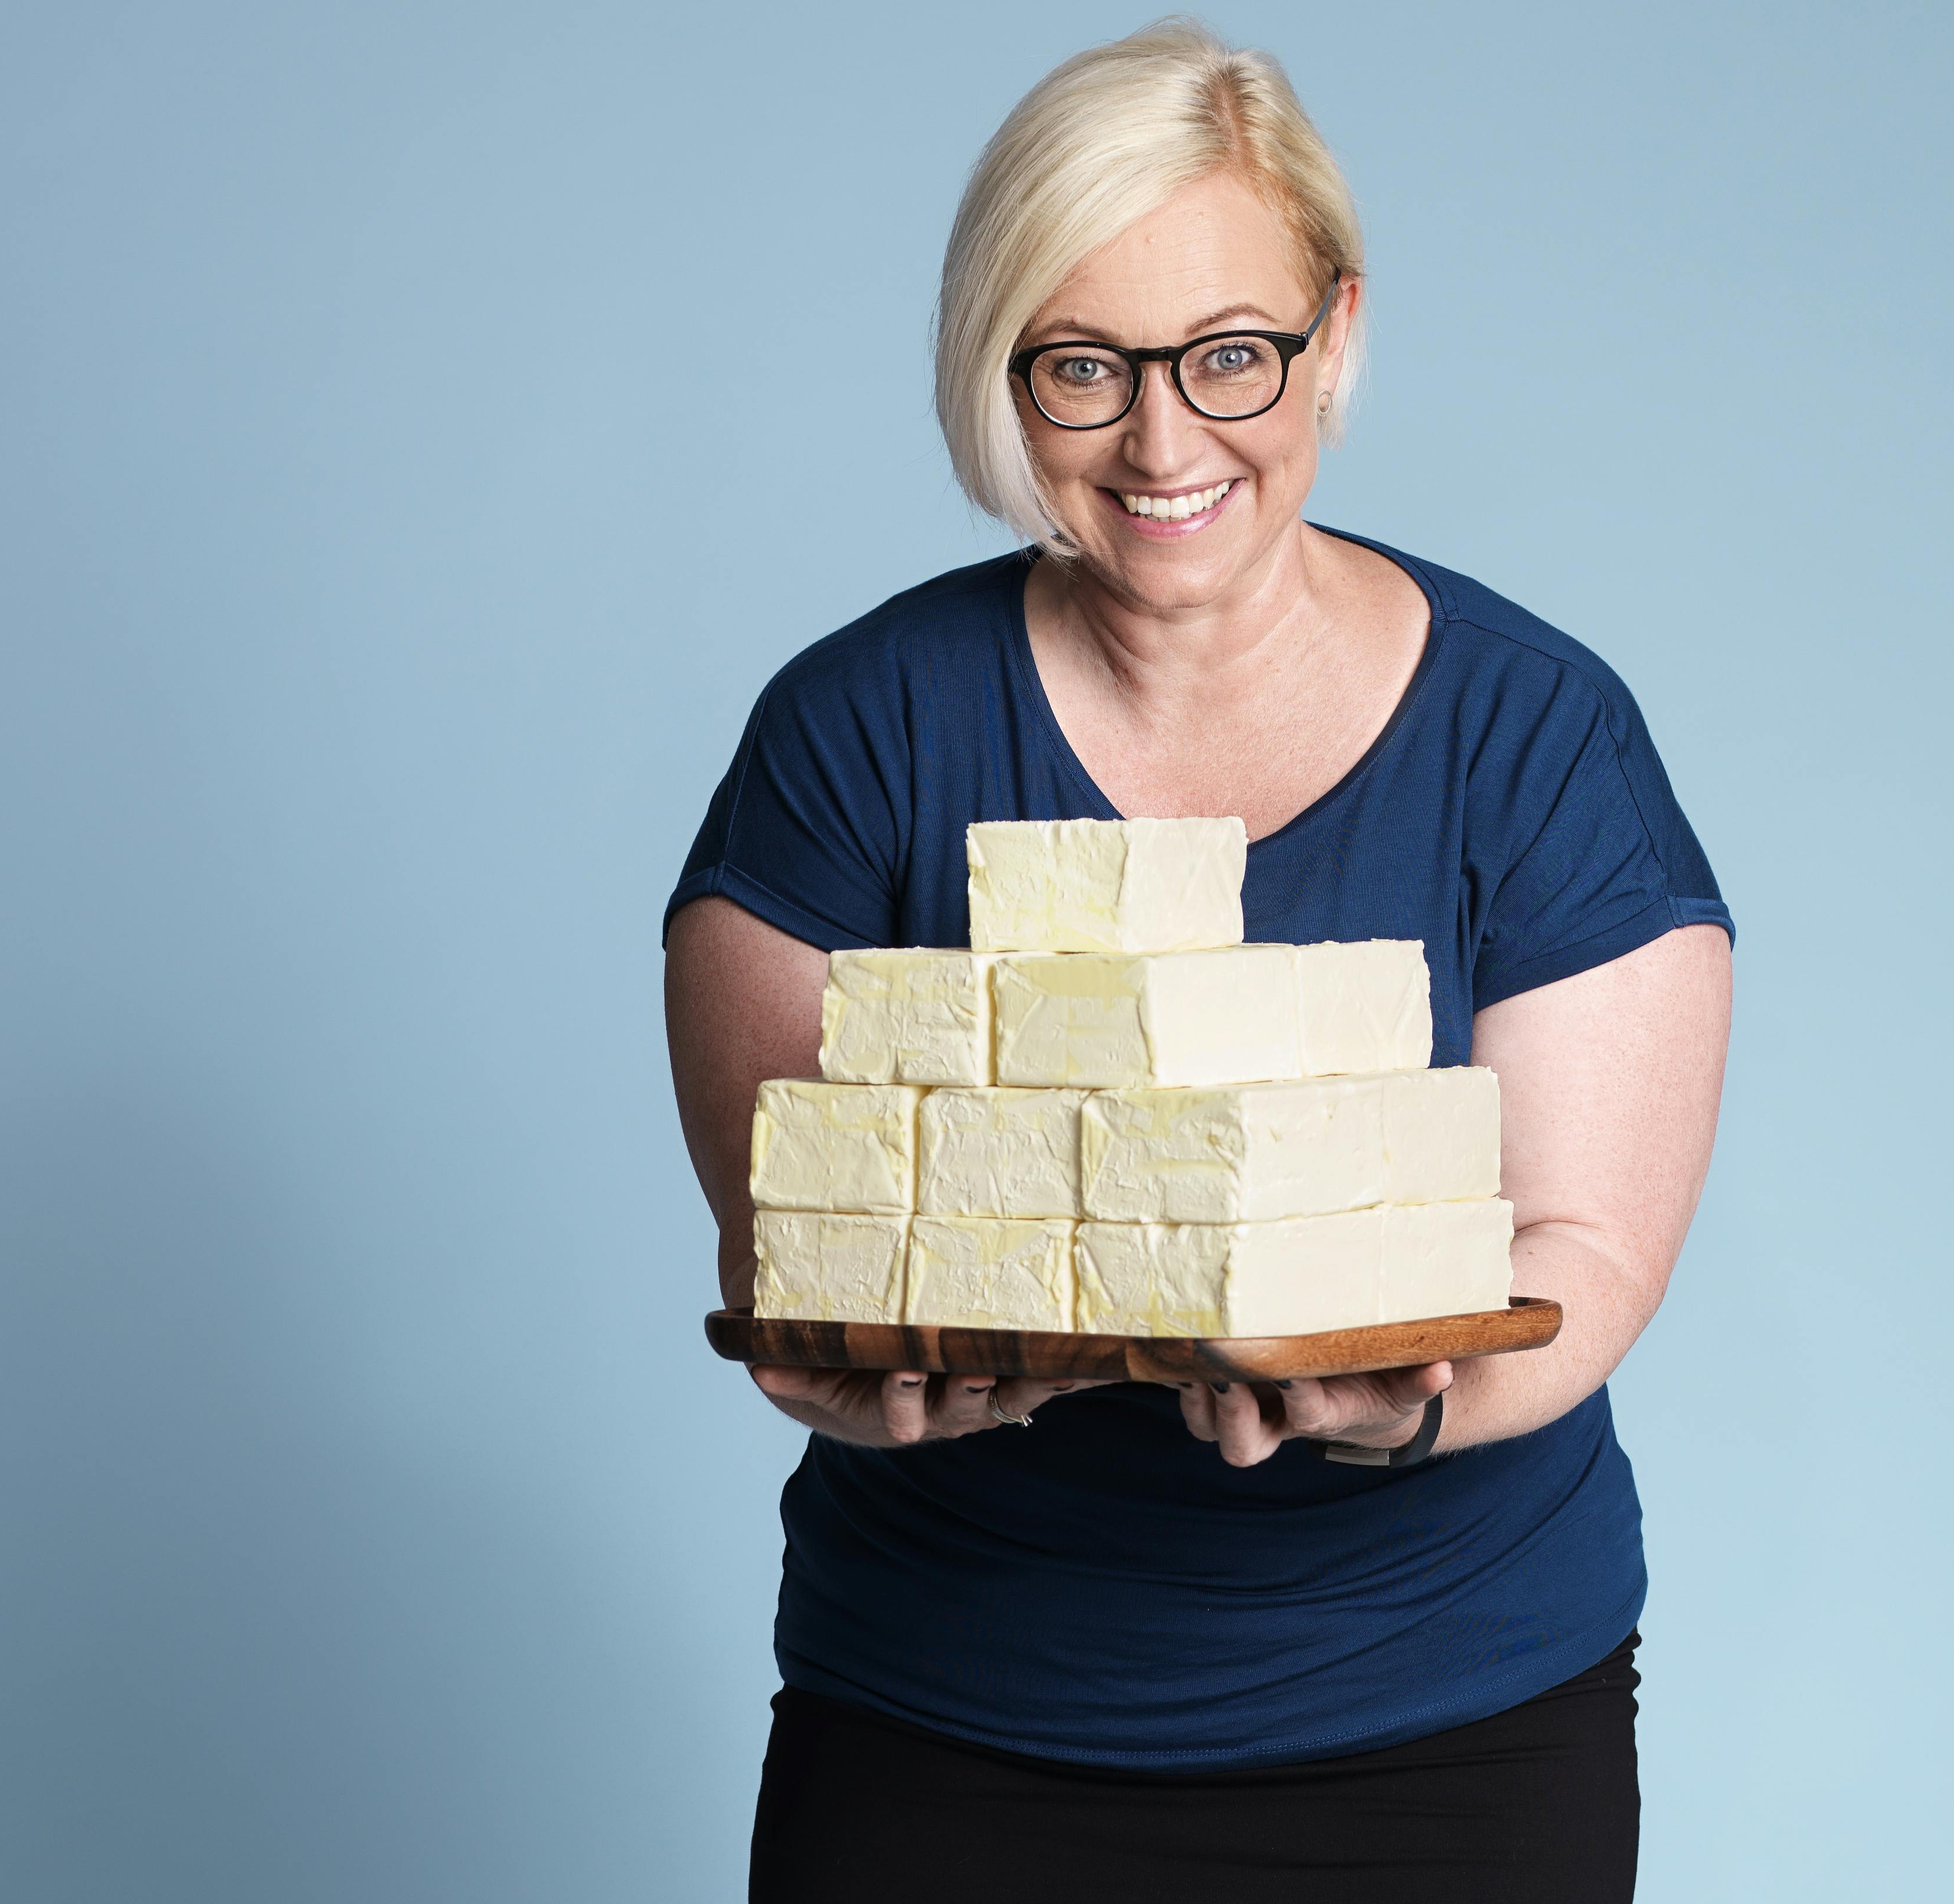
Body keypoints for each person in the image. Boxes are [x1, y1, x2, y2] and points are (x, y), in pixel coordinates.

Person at [662, 21, 1732, 1900]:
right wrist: (843, 1366)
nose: (1164, 444)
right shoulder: (854, 732)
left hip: (1450, 1732)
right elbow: (801, 1239)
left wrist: (1405, 1403)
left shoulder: (1537, 734)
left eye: (1230, 354)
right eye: (1083, 366)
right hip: (944, 1723)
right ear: (1000, 370)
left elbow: (1584, 1253)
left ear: (1334, 329)